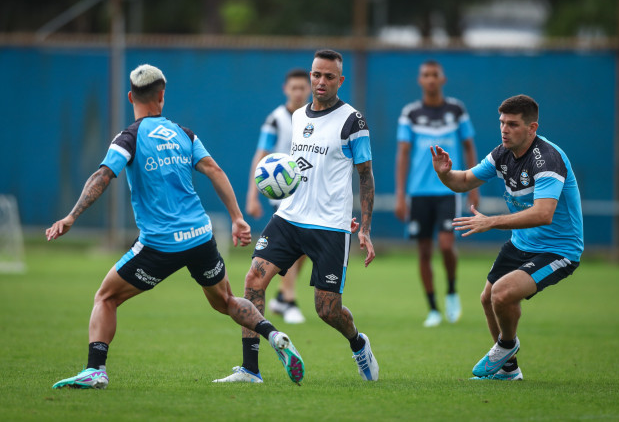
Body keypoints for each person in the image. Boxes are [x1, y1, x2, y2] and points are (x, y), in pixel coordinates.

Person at [46, 64, 303, 389]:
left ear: (131, 97)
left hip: (160, 244)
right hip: (200, 236)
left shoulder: (129, 137)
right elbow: (214, 170)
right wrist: (237, 218)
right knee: (226, 301)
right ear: (162, 96)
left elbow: (102, 176)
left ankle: (96, 369)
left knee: (106, 297)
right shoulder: (184, 133)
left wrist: (71, 216)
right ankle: (273, 333)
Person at [214, 49, 378, 383]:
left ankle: (358, 343)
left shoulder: (353, 120)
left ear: (340, 80)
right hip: (288, 218)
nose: (320, 82)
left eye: (328, 76)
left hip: (330, 225)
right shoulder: (298, 116)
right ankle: (250, 369)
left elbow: (365, 175)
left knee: (327, 310)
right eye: (316, 74)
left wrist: (365, 229)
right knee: (252, 281)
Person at [431, 94, 583, 380]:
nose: (504, 129)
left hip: (557, 250)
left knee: (502, 293)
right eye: (502, 123)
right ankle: (509, 370)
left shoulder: (547, 159)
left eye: (512, 124)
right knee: (488, 298)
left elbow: (543, 214)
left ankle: (507, 345)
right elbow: (463, 181)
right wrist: (445, 173)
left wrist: (492, 222)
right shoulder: (502, 153)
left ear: (532, 128)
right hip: (522, 243)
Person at [395, 59, 479, 327]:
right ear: (420, 81)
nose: (430, 79)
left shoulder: (456, 110)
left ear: (442, 79)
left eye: (435, 75)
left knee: (445, 244)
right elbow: (403, 154)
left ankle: (452, 291)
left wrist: (473, 186)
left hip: (449, 188)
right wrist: (400, 194)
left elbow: (469, 146)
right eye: (425, 75)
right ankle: (433, 308)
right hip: (418, 192)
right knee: (423, 251)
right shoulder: (410, 113)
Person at [245, 69, 311, 324]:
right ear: (286, 89)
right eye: (293, 87)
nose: (298, 92)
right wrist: (252, 195)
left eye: (302, 87)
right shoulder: (276, 120)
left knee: (304, 248)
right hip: (282, 195)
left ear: (308, 89)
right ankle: (291, 301)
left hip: (307, 193)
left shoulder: (314, 118)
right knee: (291, 244)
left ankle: (282, 297)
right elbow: (260, 156)